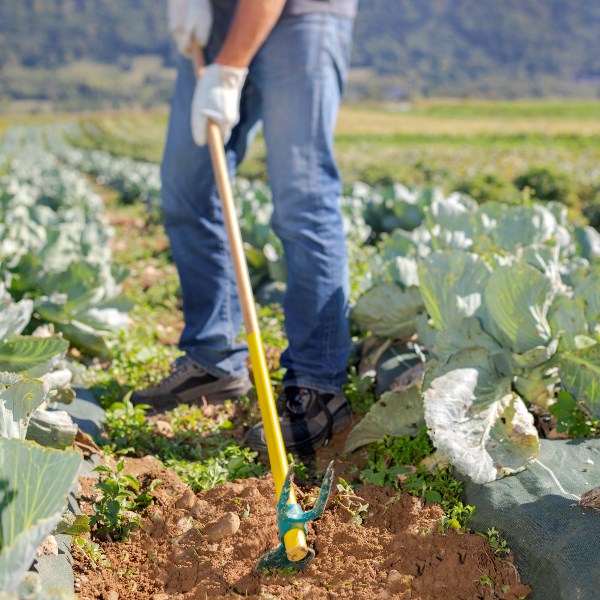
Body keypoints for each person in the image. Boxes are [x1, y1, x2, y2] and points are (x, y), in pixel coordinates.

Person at [131, 0, 358, 455]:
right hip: (217, 17)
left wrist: (229, 68)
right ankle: (214, 359)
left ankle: (318, 388)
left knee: (303, 197)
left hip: (302, 17)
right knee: (188, 187)